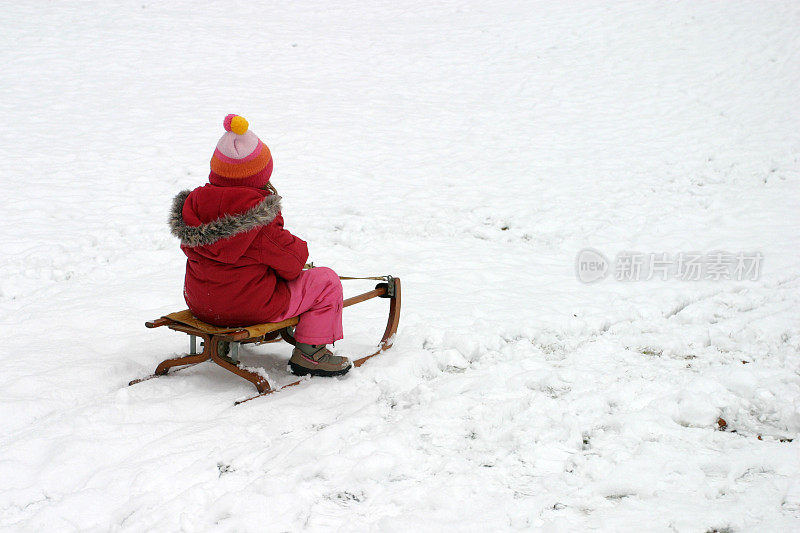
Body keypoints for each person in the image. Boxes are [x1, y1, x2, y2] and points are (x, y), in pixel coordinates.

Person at [168, 114, 350, 376]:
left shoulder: (194, 208)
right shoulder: (257, 217)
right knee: (326, 281)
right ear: (261, 174)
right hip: (249, 308)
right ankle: (311, 354)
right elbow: (293, 264)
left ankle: (220, 341)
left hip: (201, 304)